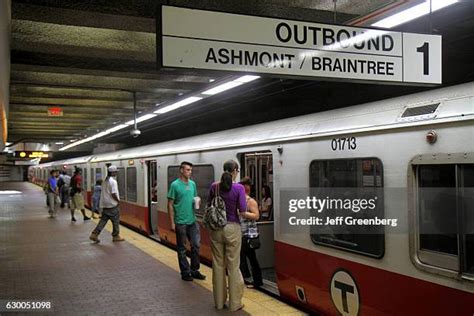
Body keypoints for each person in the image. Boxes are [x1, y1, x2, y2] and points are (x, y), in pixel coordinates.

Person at [207, 160, 254, 311]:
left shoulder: (215, 187)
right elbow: (242, 210)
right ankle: (235, 304)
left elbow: (209, 205)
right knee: (233, 266)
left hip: (216, 229)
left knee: (218, 265)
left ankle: (219, 303)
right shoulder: (239, 188)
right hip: (232, 228)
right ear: (235, 171)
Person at [167, 161, 206, 281]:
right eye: (188, 170)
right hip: (180, 222)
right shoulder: (175, 185)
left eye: (191, 170)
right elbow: (170, 204)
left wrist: (197, 202)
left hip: (192, 221)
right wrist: (172, 222)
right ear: (181, 170)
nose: (190, 172)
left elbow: (195, 199)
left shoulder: (193, 184)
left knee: (195, 245)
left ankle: (194, 270)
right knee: (182, 248)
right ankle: (185, 272)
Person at [89, 165, 125, 242]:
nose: (116, 173)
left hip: (105, 205)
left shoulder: (105, 181)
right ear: (113, 172)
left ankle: (94, 234)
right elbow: (114, 193)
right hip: (112, 204)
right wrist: (118, 201)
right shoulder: (113, 182)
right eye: (115, 172)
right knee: (116, 221)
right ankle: (116, 236)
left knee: (103, 221)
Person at [238, 177, 263, 289]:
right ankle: (248, 279)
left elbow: (256, 216)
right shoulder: (240, 200)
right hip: (241, 233)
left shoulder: (250, 201)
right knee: (244, 257)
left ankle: (256, 281)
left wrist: (243, 213)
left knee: (250, 257)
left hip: (249, 233)